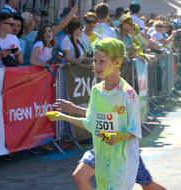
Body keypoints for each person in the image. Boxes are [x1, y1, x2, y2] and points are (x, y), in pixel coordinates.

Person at [47, 38, 141, 190]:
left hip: (122, 165)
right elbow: (91, 123)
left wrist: (118, 136)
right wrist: (63, 116)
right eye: (94, 61)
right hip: (102, 162)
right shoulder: (97, 90)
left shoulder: (128, 94)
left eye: (101, 61)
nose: (96, 66)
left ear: (117, 62)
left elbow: (134, 130)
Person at [53, 99, 167, 190]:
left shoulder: (124, 92)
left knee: (147, 185)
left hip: (125, 151)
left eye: (100, 67)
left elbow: (115, 120)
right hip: (102, 147)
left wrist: (74, 109)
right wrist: (65, 115)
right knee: (79, 177)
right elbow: (94, 121)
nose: (96, 69)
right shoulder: (98, 89)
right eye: (95, 67)